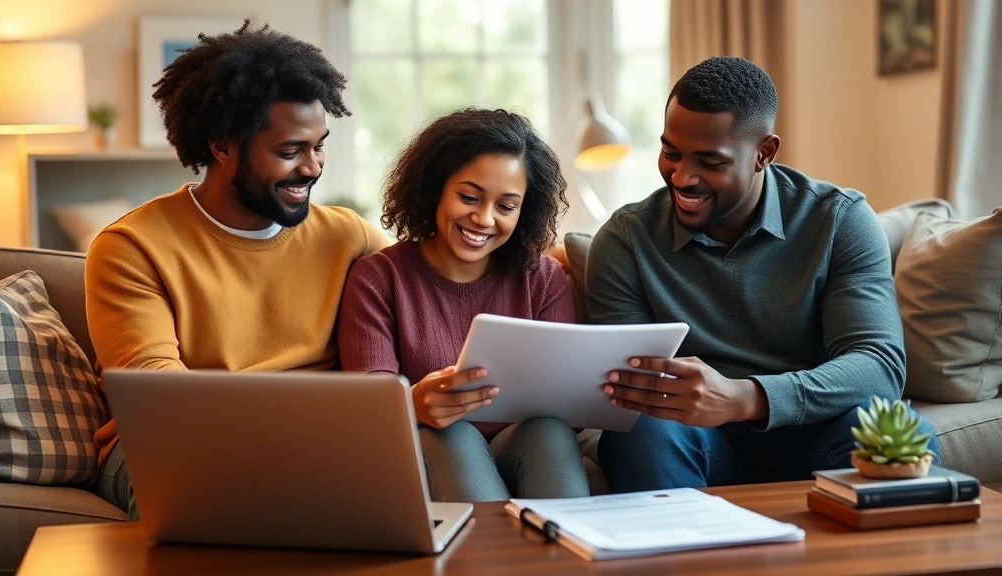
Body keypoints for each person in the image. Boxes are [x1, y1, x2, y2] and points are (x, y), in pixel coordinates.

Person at [586, 56, 939, 492]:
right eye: (670, 152)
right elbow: (628, 390)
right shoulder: (626, 241)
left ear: (764, 153)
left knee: (905, 433)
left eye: (709, 162)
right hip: (692, 437)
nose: (681, 176)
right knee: (644, 430)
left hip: (813, 432)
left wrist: (747, 398)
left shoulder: (839, 220)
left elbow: (878, 366)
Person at [84, 21, 389, 518]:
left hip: (318, 441)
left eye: (319, 146)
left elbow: (429, 284)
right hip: (167, 445)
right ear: (222, 146)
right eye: (290, 151)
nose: (313, 167)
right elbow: (161, 400)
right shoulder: (132, 248)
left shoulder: (345, 235)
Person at [338, 108, 590, 502]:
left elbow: (564, 399)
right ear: (435, 187)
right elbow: (368, 408)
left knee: (550, 430)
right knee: (450, 431)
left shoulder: (541, 277)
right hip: (435, 444)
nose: (484, 218)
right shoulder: (378, 278)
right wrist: (414, 403)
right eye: (469, 197)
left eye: (506, 206)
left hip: (525, 443)